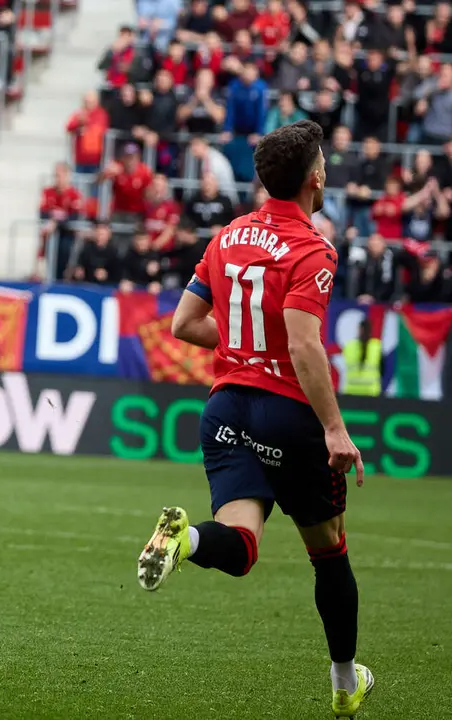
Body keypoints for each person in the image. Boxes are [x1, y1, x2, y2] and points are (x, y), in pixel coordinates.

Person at [139, 121, 373, 718]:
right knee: (329, 553)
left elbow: (185, 325)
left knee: (240, 548)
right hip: (287, 416)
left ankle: (183, 539)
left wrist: (244, 343)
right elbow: (303, 346)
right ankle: (345, 683)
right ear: (316, 176)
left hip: (225, 411)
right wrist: (334, 428)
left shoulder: (228, 237)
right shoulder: (314, 250)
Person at [342, 317, 382, 397]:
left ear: (359, 330)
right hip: (371, 392)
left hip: (352, 392)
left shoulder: (349, 346)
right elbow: (383, 369)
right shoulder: (377, 346)